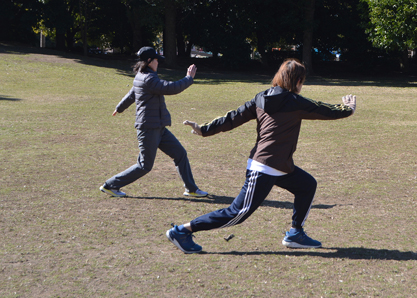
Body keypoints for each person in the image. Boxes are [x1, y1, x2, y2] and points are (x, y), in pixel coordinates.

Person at [166, 58, 356, 253]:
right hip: (264, 167)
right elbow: (323, 110)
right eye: (302, 81)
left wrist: (205, 129)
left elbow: (232, 117)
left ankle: (295, 233)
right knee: (236, 213)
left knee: (306, 185)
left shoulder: (260, 98)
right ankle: (182, 231)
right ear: (298, 81)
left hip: (280, 166)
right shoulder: (295, 102)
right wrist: (347, 109)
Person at [99, 46, 208, 198]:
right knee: (145, 166)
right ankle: (110, 185)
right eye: (157, 60)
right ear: (149, 61)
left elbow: (132, 94)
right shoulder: (149, 79)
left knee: (180, 153)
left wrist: (119, 107)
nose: (158, 63)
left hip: (159, 127)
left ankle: (191, 189)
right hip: (149, 128)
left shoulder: (141, 75)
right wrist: (188, 79)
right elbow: (170, 88)